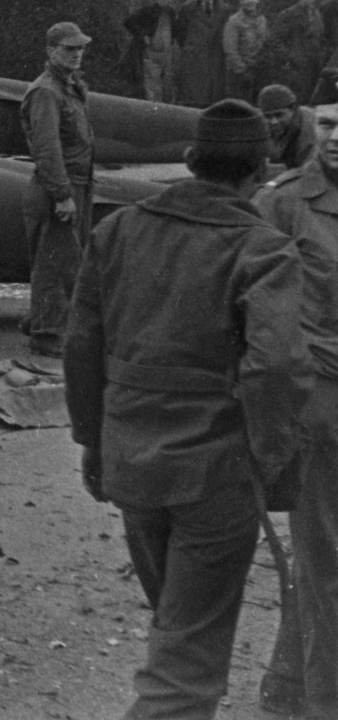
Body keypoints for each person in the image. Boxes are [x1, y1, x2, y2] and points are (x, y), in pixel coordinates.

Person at [65, 99, 313, 720]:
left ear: (187, 160)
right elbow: (276, 365)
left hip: (130, 461)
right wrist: (270, 454)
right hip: (215, 470)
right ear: (260, 173)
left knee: (176, 620)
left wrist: (93, 441)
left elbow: (80, 346)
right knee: (187, 660)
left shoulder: (116, 229)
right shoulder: (265, 248)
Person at [253, 100, 338, 720]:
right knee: (326, 558)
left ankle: (287, 686)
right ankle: (320, 702)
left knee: (322, 560)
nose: (337, 139)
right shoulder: (283, 202)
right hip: (319, 403)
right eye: (331, 124)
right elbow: (253, 306)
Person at [19, 21, 94, 358]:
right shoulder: (47, 91)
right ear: (51, 52)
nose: (77, 54)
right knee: (54, 265)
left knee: (66, 260)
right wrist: (62, 195)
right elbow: (47, 149)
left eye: (80, 48)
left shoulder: (70, 86)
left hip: (76, 184)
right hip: (56, 189)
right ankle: (47, 336)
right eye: (69, 48)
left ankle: (40, 320)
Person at [122, 0, 186, 103]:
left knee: (168, 89)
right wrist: (142, 36)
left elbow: (177, 33)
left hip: (167, 57)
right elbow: (129, 21)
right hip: (151, 56)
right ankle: (154, 116)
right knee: (153, 90)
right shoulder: (148, 11)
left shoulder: (172, 13)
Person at [177, 0, 231, 107]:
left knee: (213, 94)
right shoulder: (188, 8)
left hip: (215, 57)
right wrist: (191, 47)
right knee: (193, 94)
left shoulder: (225, 10)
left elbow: (226, 33)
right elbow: (180, 32)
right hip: (194, 57)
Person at [270, 0, 327, 104]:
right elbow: (275, 41)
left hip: (313, 66)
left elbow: (321, 39)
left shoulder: (317, 15)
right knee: (295, 101)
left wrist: (320, 57)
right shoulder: (287, 15)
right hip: (294, 69)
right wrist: (291, 57)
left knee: (311, 101)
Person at [223, 0, 270, 103]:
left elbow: (267, 43)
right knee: (241, 107)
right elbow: (229, 48)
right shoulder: (234, 21)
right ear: (241, 1)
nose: (250, 1)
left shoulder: (262, 20)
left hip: (259, 70)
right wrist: (242, 70)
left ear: (258, 0)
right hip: (240, 74)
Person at [259, 84, 319, 172]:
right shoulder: (261, 124)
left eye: (279, 115)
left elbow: (309, 172)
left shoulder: (309, 127)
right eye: (268, 116)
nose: (273, 122)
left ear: (293, 109)